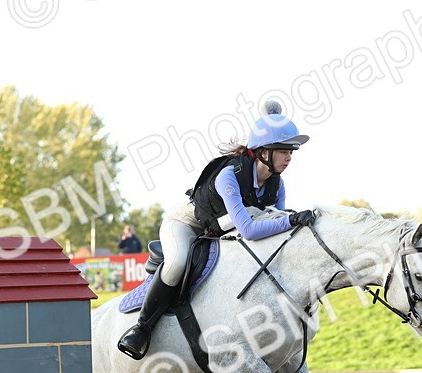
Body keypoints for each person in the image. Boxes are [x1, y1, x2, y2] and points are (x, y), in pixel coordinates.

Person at [117, 100, 314, 359]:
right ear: (263, 151)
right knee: (177, 263)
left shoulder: (278, 185)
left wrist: (290, 224)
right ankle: (141, 329)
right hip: (188, 225)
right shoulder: (229, 176)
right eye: (283, 151)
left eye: (291, 152)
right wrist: (291, 220)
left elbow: (274, 230)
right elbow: (251, 229)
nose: (289, 157)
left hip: (222, 232)